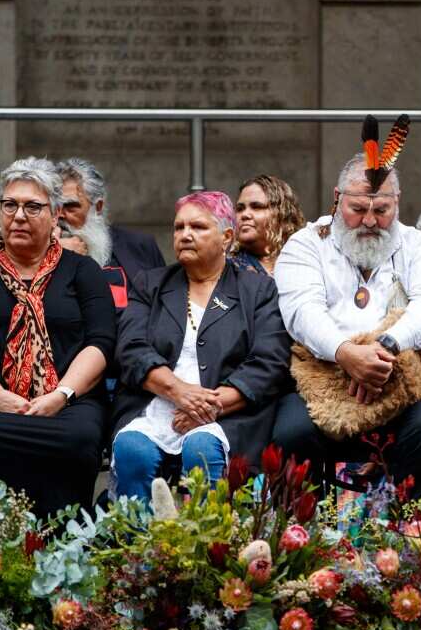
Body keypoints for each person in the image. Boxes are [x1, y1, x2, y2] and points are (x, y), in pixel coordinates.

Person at [0, 157, 115, 516]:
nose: (18, 215)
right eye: (9, 204)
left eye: (32, 206)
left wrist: (60, 395)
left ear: (55, 215)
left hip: (67, 403)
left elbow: (101, 342)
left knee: (79, 438)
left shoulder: (83, 271)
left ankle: (65, 544)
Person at [273, 153, 421, 497]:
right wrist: (346, 355)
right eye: (358, 209)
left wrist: (384, 350)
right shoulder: (306, 244)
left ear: (396, 204)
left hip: (399, 373)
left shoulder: (417, 246)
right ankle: (304, 536)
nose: (369, 220)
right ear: (338, 198)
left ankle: (414, 534)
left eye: (381, 211)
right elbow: (302, 311)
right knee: (291, 432)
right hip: (322, 375)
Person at [111, 191, 290, 498]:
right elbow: (131, 349)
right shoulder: (150, 284)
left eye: (198, 227)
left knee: (202, 450)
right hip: (156, 404)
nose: (185, 235)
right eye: (179, 228)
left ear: (227, 237)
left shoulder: (258, 291)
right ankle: (136, 545)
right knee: (132, 451)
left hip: (229, 413)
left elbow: (269, 361)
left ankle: (207, 545)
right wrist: (180, 392)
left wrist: (208, 407)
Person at [56, 158, 166, 309]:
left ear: (98, 207)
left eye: (70, 206)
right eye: (54, 207)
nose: (59, 215)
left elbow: (162, 309)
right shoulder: (36, 253)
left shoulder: (140, 246)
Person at [229, 174, 306, 275]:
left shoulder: (304, 262)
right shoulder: (226, 270)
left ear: (281, 214)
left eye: (256, 207)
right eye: (240, 209)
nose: (244, 215)